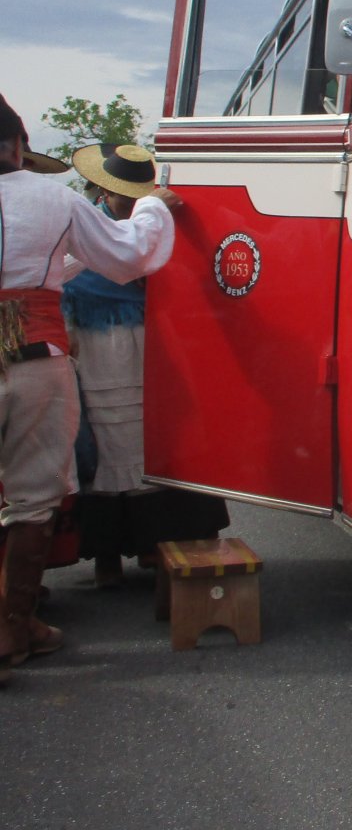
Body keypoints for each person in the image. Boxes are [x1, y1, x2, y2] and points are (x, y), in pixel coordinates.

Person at [0, 95, 178, 683]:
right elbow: (126, 256)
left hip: (41, 347)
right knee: (31, 496)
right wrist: (150, 208)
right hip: (30, 357)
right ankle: (12, 631)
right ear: (18, 148)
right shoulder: (52, 197)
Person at [64, 144, 228, 588]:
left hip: (157, 345)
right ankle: (106, 555)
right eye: (122, 195)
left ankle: (160, 543)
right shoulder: (86, 225)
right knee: (107, 442)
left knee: (157, 439)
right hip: (100, 348)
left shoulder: (154, 221)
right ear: (103, 190)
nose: (130, 202)